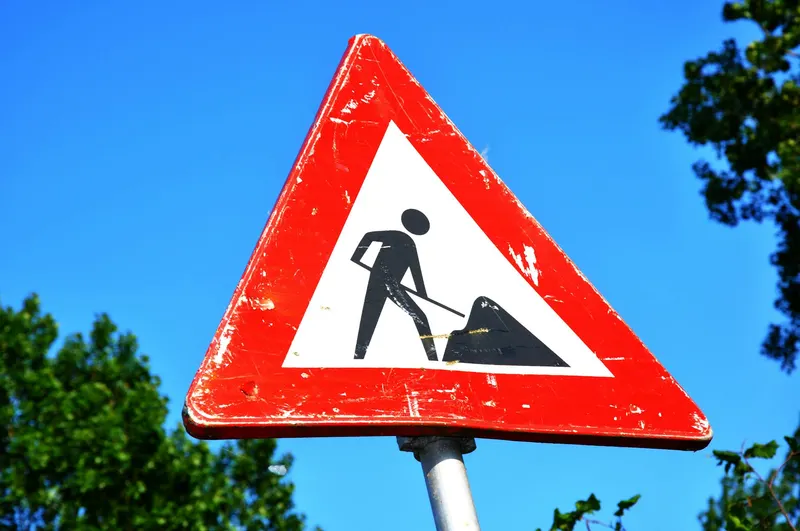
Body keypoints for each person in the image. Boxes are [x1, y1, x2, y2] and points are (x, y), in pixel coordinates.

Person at [350, 209, 437, 361]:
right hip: (384, 281)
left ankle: (358, 357)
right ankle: (433, 358)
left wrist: (422, 293)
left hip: (388, 283)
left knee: (369, 320)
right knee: (418, 318)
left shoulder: (409, 243)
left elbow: (415, 270)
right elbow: (369, 236)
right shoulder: (397, 236)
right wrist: (357, 257)